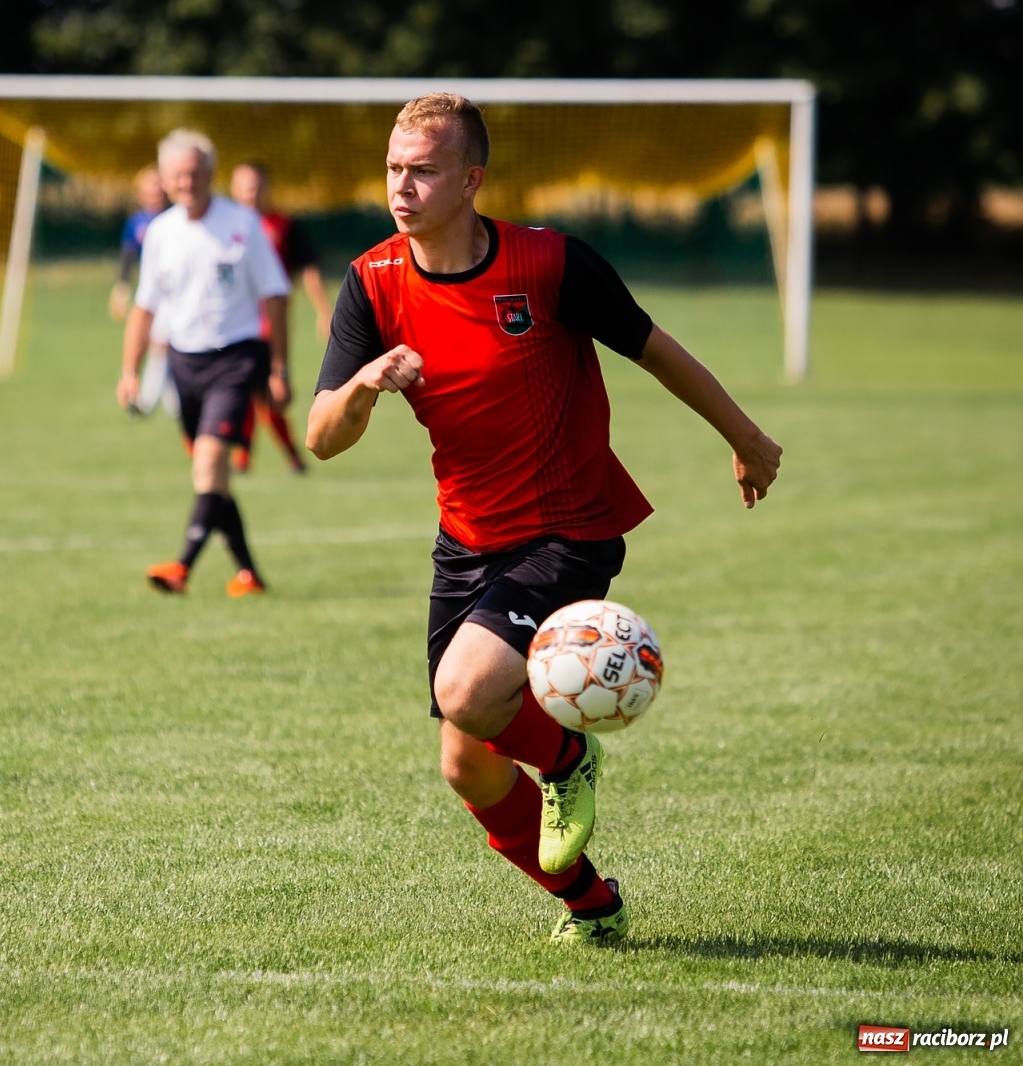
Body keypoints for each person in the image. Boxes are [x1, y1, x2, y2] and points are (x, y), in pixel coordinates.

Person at [306, 93, 782, 944]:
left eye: (423, 170)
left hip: (569, 528)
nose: (401, 187)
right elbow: (320, 437)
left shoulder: (550, 264)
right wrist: (364, 384)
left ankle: (568, 756)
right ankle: (592, 905)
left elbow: (654, 348)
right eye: (393, 168)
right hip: (467, 543)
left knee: (467, 693)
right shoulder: (372, 282)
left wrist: (745, 438)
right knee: (466, 760)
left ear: (471, 180)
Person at [116, 129, 291, 597]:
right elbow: (145, 307)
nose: (186, 182)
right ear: (166, 179)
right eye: (177, 174)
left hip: (235, 358)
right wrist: (130, 370)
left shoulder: (243, 224)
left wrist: (279, 369)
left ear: (211, 175)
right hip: (182, 363)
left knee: (210, 462)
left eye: (195, 173)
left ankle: (182, 567)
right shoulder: (160, 232)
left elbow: (275, 295)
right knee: (211, 476)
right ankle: (249, 574)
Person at [227, 161, 333, 475]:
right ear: (233, 188)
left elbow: (308, 269)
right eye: (245, 184)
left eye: (257, 184)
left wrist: (323, 311)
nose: (251, 191)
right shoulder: (223, 225)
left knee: (263, 390)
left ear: (267, 187)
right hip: (231, 323)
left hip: (271, 324)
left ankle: (264, 457)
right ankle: (259, 458)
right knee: (246, 390)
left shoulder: (284, 225)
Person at [109, 165, 176, 417]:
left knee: (162, 345)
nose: (155, 191)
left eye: (159, 185)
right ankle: (167, 402)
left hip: (176, 296)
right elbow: (127, 257)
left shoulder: (177, 218)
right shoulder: (137, 222)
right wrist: (121, 288)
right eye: (150, 186)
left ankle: (149, 401)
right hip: (152, 296)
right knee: (161, 346)